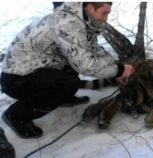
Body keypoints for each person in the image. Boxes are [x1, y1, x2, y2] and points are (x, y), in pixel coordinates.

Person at [0, 2, 134, 138]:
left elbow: (92, 49)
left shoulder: (82, 18)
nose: (106, 19)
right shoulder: (67, 23)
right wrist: (118, 70)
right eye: (104, 13)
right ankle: (16, 115)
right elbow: (84, 64)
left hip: (36, 67)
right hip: (16, 79)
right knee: (68, 83)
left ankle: (60, 97)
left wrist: (116, 65)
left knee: (72, 64)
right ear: (90, 8)